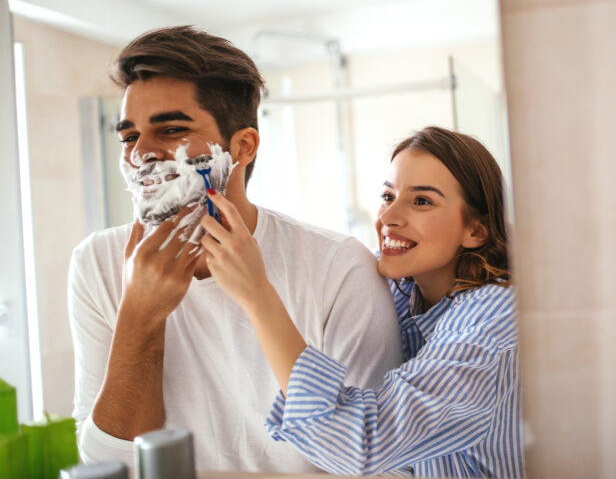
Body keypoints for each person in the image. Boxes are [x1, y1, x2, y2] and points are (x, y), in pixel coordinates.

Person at [67, 26, 403, 473]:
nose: (140, 154)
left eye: (170, 129)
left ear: (242, 146)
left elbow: (381, 464)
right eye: (129, 136)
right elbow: (110, 465)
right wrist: (140, 315)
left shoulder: (338, 267)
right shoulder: (96, 264)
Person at [201, 126, 524, 477]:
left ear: (476, 230)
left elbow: (363, 446)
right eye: (388, 197)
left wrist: (257, 295)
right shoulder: (401, 290)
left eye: (421, 201)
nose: (388, 218)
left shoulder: (492, 322)